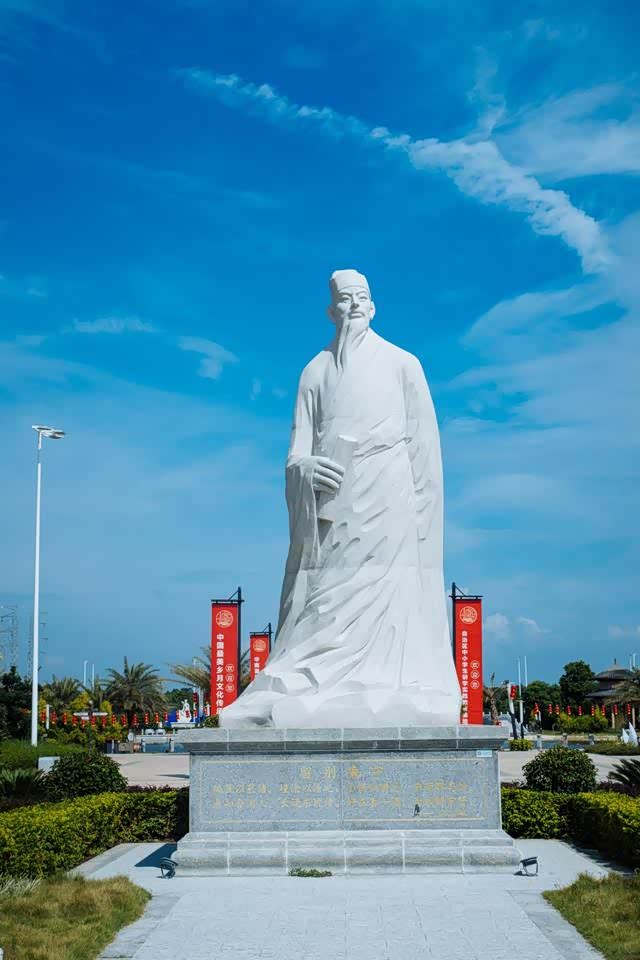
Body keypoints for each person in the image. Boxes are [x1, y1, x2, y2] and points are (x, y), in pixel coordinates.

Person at [220, 269, 461, 727]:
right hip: (333, 505)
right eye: (345, 300)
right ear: (332, 311)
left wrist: (423, 523)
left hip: (390, 498)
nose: (354, 306)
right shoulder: (315, 372)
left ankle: (388, 681)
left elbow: (426, 451)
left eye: (361, 298)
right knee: (326, 597)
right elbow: (297, 452)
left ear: (373, 306)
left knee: (387, 591)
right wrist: (305, 470)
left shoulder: (403, 364)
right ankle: (314, 678)